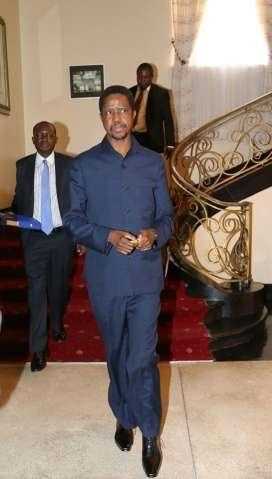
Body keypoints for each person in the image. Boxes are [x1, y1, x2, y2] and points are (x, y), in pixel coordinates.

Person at [64, 85, 173, 478]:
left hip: (144, 277)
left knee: (142, 357)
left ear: (132, 114)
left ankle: (149, 433)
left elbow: (167, 220)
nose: (117, 118)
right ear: (101, 118)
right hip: (106, 278)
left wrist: (153, 234)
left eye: (122, 110)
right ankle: (122, 415)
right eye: (109, 112)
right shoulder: (84, 166)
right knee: (117, 355)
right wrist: (106, 236)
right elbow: (74, 221)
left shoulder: (153, 162)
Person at [11, 121, 74, 372]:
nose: (44, 138)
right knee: (36, 292)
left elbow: (78, 202)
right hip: (34, 238)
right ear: (33, 139)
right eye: (39, 135)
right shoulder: (22, 166)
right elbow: (19, 199)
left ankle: (56, 324)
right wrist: (11, 215)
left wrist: (79, 236)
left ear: (56, 138)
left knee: (58, 287)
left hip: (61, 237)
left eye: (48, 134)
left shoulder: (70, 165)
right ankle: (38, 349)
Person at [130, 62, 175, 153]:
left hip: (152, 140)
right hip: (132, 138)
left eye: (145, 77)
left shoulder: (161, 94)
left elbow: (168, 120)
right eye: (139, 77)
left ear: (152, 77)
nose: (141, 80)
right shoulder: (129, 92)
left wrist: (170, 145)